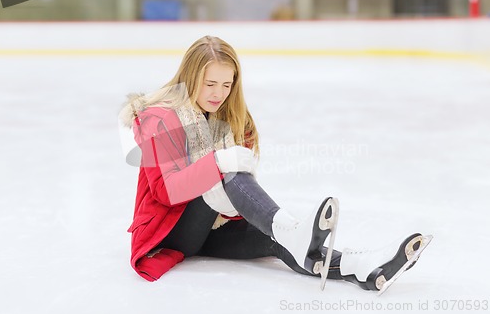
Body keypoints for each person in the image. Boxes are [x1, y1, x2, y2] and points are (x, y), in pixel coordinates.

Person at [118, 35, 431, 293]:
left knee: (280, 242)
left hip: (216, 227)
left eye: (227, 85)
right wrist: (218, 162)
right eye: (210, 83)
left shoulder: (232, 118)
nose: (219, 94)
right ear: (190, 77)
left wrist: (227, 184)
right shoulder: (160, 117)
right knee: (231, 173)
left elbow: (239, 185)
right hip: (170, 231)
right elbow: (165, 191)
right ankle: (293, 231)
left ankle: (359, 267)